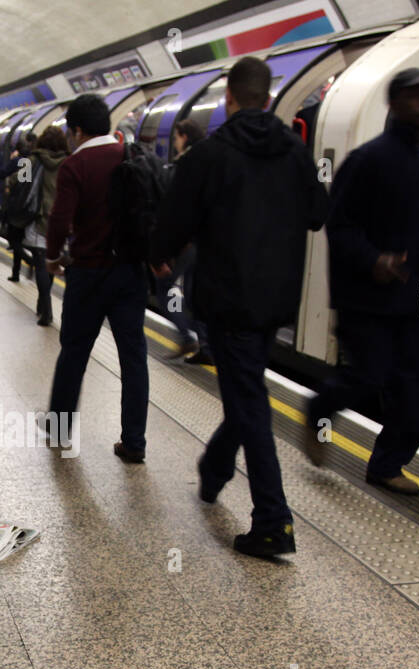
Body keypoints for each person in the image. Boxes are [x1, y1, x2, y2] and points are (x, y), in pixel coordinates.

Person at [151, 57, 328, 558]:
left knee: (248, 397)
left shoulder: (211, 154)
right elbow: (318, 213)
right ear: (268, 98)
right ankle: (215, 469)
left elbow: (174, 220)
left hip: (228, 298)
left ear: (229, 97)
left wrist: (158, 256)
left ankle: (273, 519)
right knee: (245, 389)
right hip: (274, 301)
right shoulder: (294, 150)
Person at [304, 68, 419, 495]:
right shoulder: (368, 160)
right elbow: (338, 226)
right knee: (366, 377)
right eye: (414, 95)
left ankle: (387, 464)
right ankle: (319, 407)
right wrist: (374, 259)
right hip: (369, 298)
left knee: (414, 389)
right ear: (393, 103)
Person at [43, 93, 150, 464]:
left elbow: (59, 219)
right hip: (130, 273)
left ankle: (58, 429)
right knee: (133, 358)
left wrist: (53, 257)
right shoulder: (130, 155)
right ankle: (134, 442)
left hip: (88, 273)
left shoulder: (77, 165)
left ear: (77, 130)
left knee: (74, 351)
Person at [157, 118, 211, 364]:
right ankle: (206, 345)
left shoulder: (184, 166)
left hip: (186, 242)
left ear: (184, 137)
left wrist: (165, 248)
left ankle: (187, 335)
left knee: (165, 289)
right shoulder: (210, 163)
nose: (175, 143)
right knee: (192, 294)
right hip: (204, 241)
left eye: (177, 138)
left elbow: (177, 209)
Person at [22, 126, 69, 326]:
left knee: (41, 262)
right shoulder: (69, 162)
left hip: (39, 218)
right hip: (61, 220)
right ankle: (44, 304)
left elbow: (20, 183)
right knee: (52, 261)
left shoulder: (33, 161)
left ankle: (46, 309)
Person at [2, 132, 38, 282]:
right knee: (19, 239)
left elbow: (17, 182)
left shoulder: (23, 163)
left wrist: (12, 163)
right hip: (26, 208)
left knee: (13, 240)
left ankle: (29, 262)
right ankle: (16, 273)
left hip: (16, 208)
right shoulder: (33, 163)